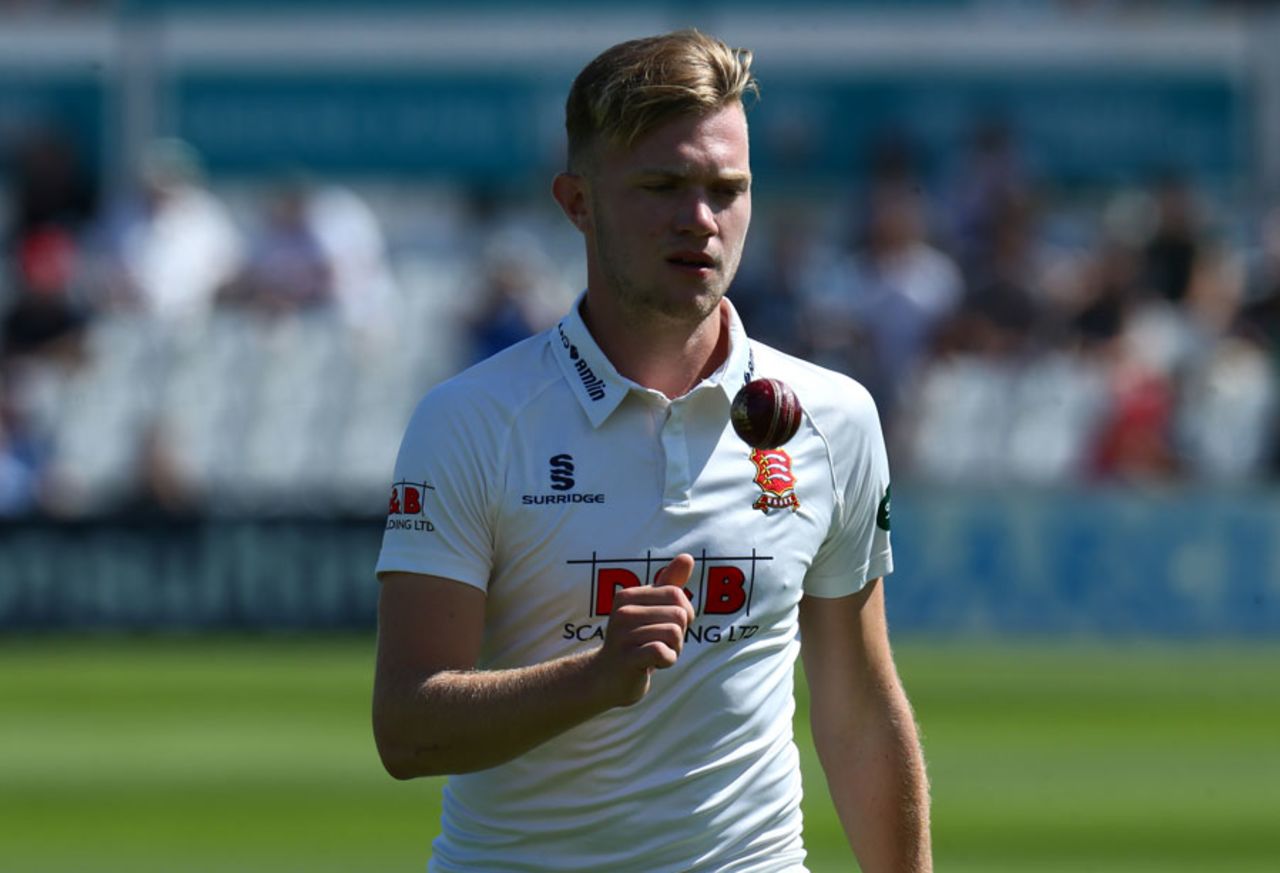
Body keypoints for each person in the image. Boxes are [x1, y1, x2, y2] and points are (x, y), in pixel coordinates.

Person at [372, 29, 932, 872]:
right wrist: (593, 676)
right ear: (578, 202)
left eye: (726, 188)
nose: (700, 220)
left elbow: (856, 705)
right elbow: (409, 728)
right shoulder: (474, 420)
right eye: (663, 185)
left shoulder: (833, 415)